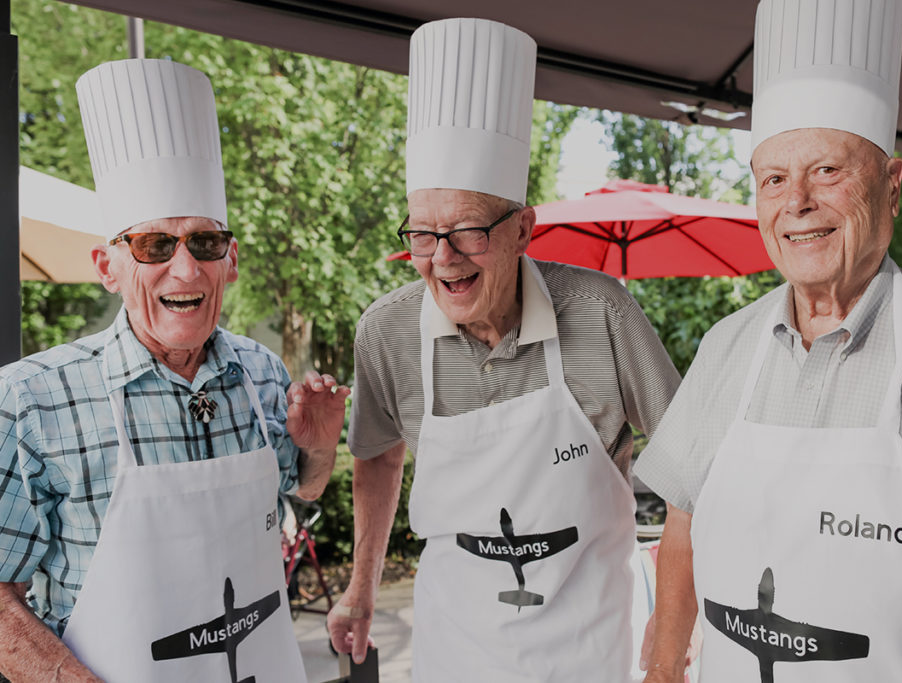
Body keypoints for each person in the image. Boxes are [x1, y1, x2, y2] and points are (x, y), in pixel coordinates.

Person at [635, 1, 902, 681]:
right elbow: (681, 532)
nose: (798, 203)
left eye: (828, 171)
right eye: (774, 180)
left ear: (892, 184)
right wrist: (664, 669)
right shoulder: (725, 347)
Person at [325, 17, 681, 682]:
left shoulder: (601, 313)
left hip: (594, 645)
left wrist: (672, 630)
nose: (443, 259)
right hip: (455, 647)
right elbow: (375, 454)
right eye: (424, 235)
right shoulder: (387, 331)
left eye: (466, 230)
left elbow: (696, 472)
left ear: (522, 228)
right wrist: (362, 585)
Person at [0, 59, 347, 683]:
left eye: (204, 244)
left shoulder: (263, 373)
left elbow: (304, 492)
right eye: (154, 245)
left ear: (230, 259)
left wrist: (317, 451)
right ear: (108, 266)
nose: (184, 271)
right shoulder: (28, 400)